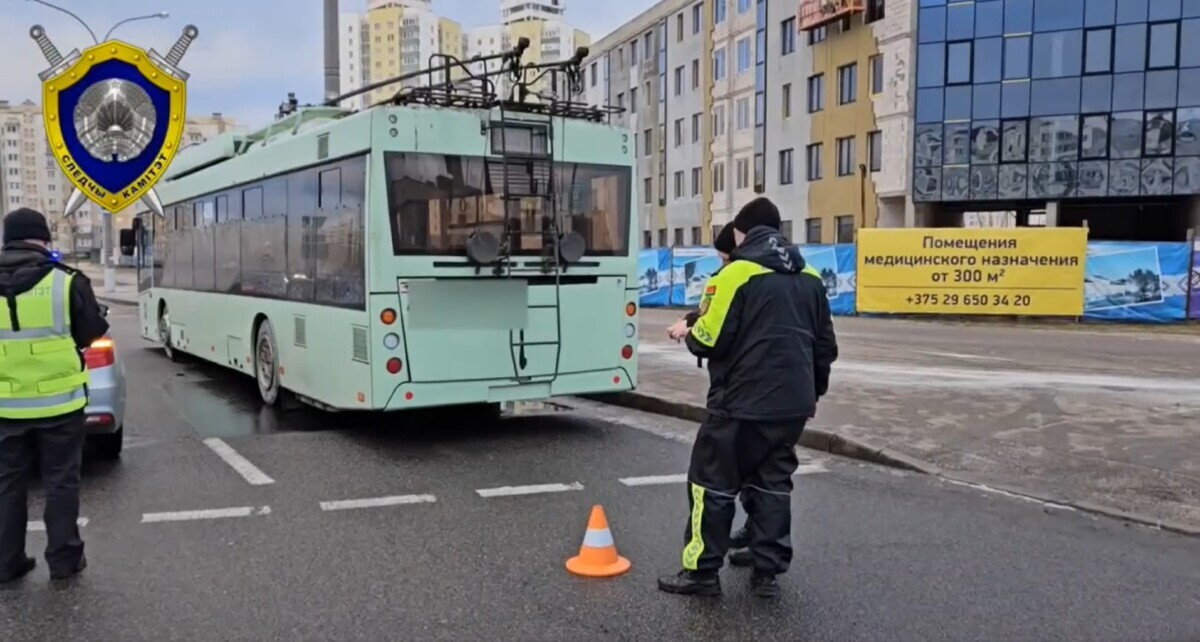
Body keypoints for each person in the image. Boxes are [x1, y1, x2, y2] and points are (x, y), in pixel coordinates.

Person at [657, 197, 838, 599]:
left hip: (740, 404)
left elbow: (708, 338)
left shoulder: (735, 274)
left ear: (742, 232)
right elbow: (825, 346)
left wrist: (691, 335)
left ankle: (702, 573)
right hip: (792, 406)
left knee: (712, 483)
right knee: (772, 483)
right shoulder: (809, 276)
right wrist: (811, 392)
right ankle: (765, 571)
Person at [0, 208, 109, 584]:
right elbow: (92, 330)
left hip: (4, 406)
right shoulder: (66, 281)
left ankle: (6, 561)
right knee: (61, 481)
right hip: (60, 403)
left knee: (7, 482)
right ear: (42, 238)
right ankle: (64, 560)